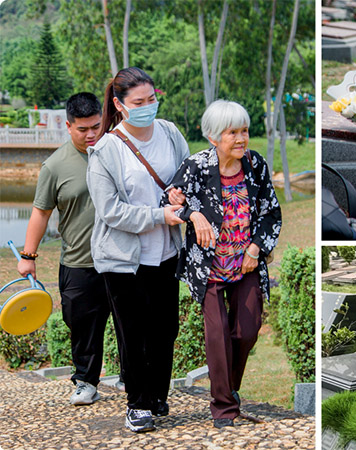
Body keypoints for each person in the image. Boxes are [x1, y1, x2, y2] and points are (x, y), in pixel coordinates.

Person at [165, 100, 281, 428]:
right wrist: (193, 213)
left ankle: (229, 388)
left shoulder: (255, 165)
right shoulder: (196, 166)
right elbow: (168, 201)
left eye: (244, 130)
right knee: (217, 337)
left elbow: (271, 211)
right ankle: (224, 408)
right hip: (209, 267)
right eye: (233, 132)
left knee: (247, 330)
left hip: (246, 262)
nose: (242, 138)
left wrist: (256, 249)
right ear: (214, 137)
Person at [86, 67, 189, 433]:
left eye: (151, 99)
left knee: (165, 329)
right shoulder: (105, 150)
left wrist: (180, 195)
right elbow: (110, 211)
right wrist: (160, 214)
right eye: (138, 103)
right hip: (123, 258)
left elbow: (186, 177)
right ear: (119, 104)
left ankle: (157, 395)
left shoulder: (170, 133)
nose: (148, 107)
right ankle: (137, 403)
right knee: (133, 331)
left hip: (166, 253)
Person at [17, 92, 108, 407]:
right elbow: (40, 212)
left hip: (121, 259)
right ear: (68, 127)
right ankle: (86, 381)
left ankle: (130, 379)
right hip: (78, 262)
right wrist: (28, 257)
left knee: (130, 321)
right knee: (82, 325)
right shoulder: (54, 166)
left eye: (96, 126)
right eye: (82, 129)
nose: (91, 134)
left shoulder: (117, 152)